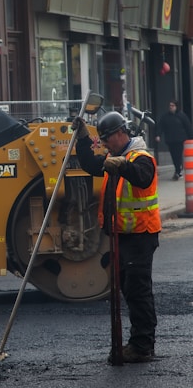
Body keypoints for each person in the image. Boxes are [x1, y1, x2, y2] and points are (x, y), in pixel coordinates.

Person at [72, 112, 161, 363]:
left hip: (140, 235)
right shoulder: (116, 156)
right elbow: (91, 164)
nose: (105, 145)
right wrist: (83, 138)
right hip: (124, 235)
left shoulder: (141, 158)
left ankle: (142, 345)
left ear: (120, 133)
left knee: (138, 291)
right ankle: (139, 342)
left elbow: (142, 177)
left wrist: (122, 166)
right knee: (129, 289)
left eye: (106, 139)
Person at [155, 99, 193, 180]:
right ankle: (177, 169)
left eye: (173, 106)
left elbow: (188, 126)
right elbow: (161, 126)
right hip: (170, 139)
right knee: (173, 155)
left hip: (180, 139)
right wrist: (158, 135)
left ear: (176, 107)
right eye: (170, 106)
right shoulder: (165, 117)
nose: (171, 107)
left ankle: (178, 171)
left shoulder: (181, 116)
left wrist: (190, 138)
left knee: (178, 155)